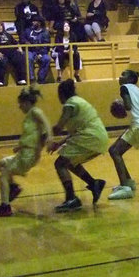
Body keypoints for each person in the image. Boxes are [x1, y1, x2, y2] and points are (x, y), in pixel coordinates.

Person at [0, 87, 52, 217]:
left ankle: (5, 207)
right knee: (1, 164)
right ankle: (13, 188)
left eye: (21, 104)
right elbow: (31, 135)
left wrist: (49, 138)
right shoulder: (30, 116)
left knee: (4, 175)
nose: (19, 107)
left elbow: (46, 124)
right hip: (24, 152)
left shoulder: (35, 111)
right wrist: (20, 146)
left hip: (29, 155)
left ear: (27, 103)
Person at [47, 80, 108, 212]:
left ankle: (71, 198)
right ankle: (94, 184)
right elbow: (75, 132)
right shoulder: (79, 101)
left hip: (90, 137)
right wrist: (59, 143)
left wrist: (42, 135)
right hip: (98, 137)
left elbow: (58, 128)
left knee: (60, 163)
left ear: (61, 94)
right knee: (69, 162)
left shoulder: (70, 104)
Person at [108, 69, 139, 200]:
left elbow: (128, 107)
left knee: (114, 151)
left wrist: (120, 104)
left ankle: (125, 188)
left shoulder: (124, 88)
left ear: (129, 79)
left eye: (123, 75)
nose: (120, 76)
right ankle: (128, 182)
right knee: (116, 151)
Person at [0, 21, 27, 86]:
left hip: (10, 52)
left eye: (0, 25)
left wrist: (20, 48)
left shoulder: (7, 34)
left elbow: (16, 43)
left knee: (19, 58)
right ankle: (0, 81)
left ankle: (21, 79)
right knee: (1, 60)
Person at [23, 15, 52, 84]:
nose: (33, 23)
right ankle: (31, 78)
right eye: (33, 21)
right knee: (28, 57)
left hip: (41, 51)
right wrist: (25, 42)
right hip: (30, 51)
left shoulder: (45, 33)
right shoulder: (28, 30)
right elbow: (22, 38)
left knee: (47, 58)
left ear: (39, 23)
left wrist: (40, 54)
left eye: (34, 21)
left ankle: (41, 78)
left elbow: (46, 45)